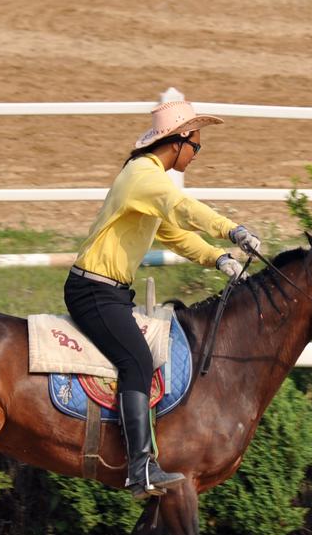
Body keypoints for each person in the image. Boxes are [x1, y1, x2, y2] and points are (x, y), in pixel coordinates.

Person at [64, 100, 261, 499]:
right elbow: (181, 208)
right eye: (197, 147)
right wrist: (231, 230)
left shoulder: (148, 179)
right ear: (179, 141)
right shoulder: (144, 176)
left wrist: (218, 258)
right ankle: (140, 469)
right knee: (136, 359)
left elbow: (173, 232)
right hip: (93, 291)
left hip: (111, 292)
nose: (196, 154)